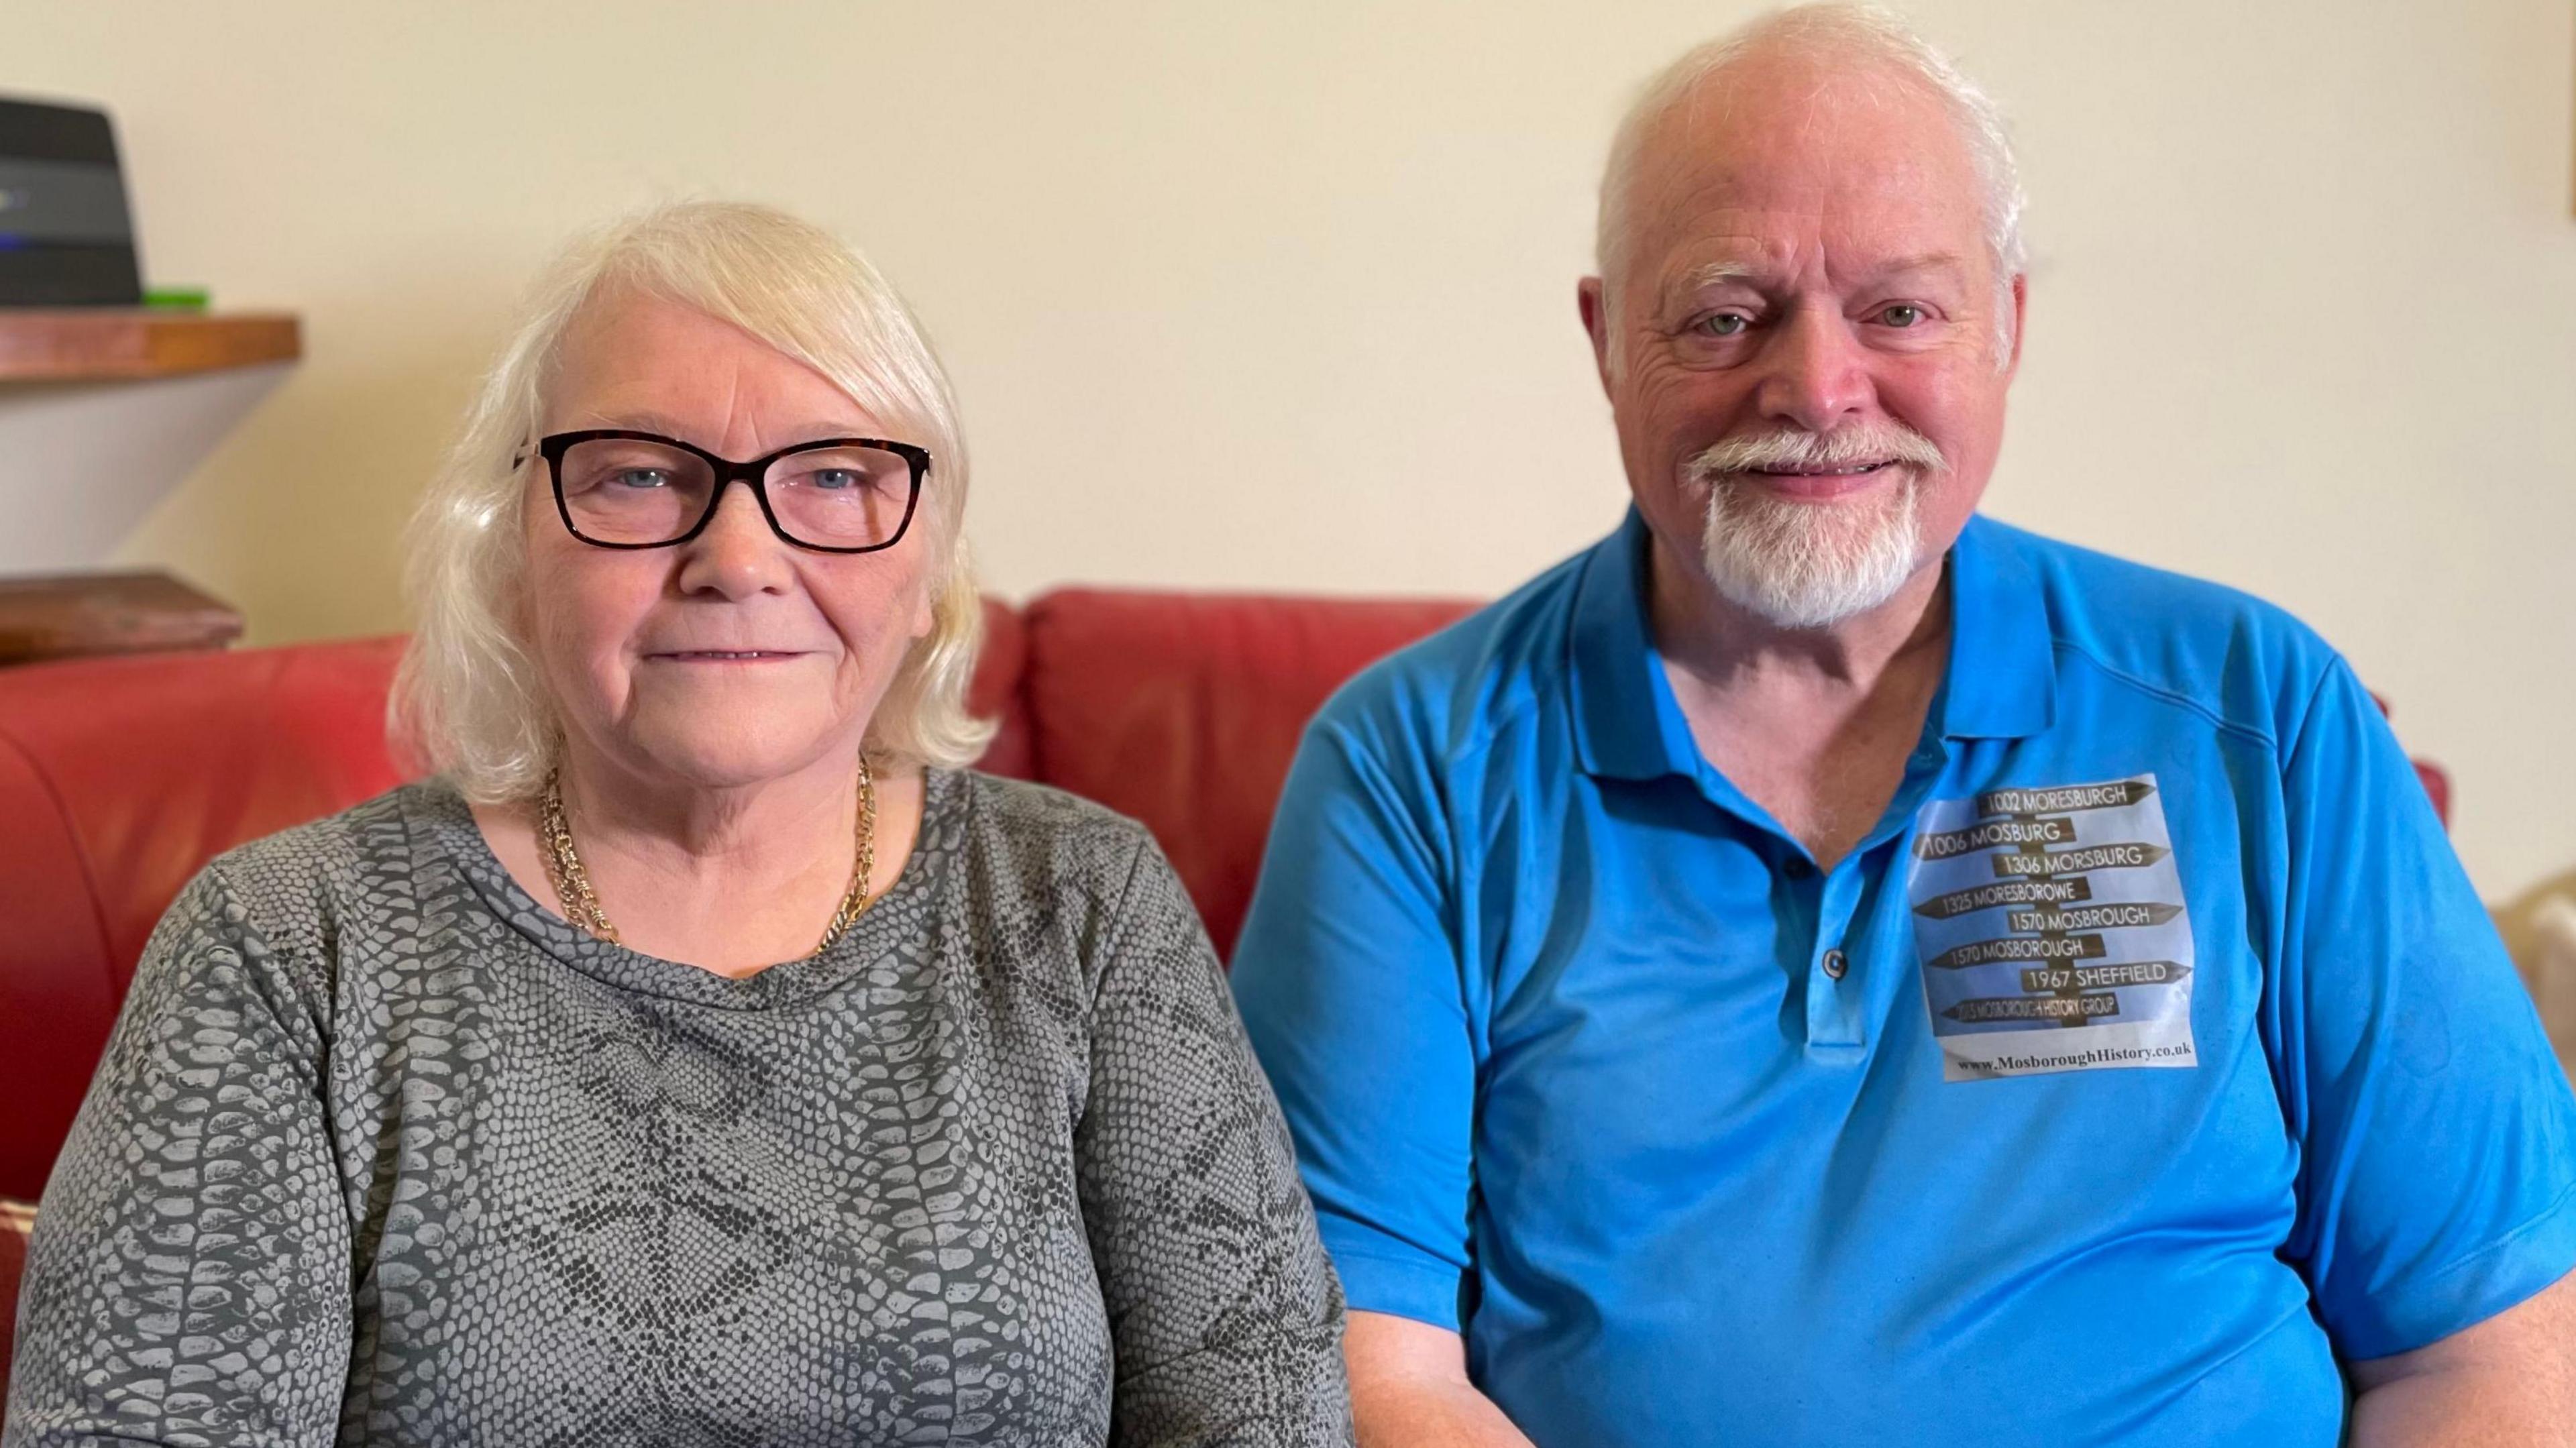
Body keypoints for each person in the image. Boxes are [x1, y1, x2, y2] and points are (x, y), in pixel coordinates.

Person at [1228, 7, 2576, 1446]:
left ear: (2007, 325)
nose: (1815, 390)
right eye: (1726, 312)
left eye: (1901, 311)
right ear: (1607, 338)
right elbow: (1369, 1366)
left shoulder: (2260, 714)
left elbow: (2491, 1346)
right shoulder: (1409, 770)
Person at [4, 202, 1350, 1448]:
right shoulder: (285, 950)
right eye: (644, 475)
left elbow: (1263, 1413)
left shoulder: (1085, 904)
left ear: (928, 568)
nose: (740, 557)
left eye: (832, 475)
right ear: (512, 544)